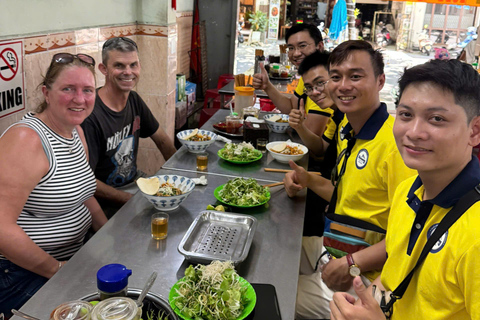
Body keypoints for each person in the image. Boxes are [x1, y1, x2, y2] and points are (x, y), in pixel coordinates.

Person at [330, 59, 480, 320]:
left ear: (474, 131)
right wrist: (361, 305)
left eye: (436, 119)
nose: (414, 132)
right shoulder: (407, 192)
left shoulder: (475, 234)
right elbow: (393, 284)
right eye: (406, 115)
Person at [285, 40, 416, 319]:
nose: (343, 85)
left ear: (380, 81)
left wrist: (350, 263)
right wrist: (306, 178)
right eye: (336, 77)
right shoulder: (347, 125)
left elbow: (409, 235)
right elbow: (346, 194)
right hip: (338, 244)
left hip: (372, 277)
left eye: (355, 76)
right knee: (280, 249)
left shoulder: (396, 146)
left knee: (281, 293)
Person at [0, 53, 108, 315]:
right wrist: (58, 270)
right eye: (68, 89)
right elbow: (2, 228)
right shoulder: (26, 140)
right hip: (22, 273)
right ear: (46, 93)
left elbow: (84, 194)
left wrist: (108, 235)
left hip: (76, 256)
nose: (79, 99)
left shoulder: (76, 130)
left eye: (87, 90)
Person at [81, 37, 176, 215]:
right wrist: (134, 201)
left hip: (135, 182)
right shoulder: (91, 115)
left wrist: (180, 177)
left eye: (133, 65)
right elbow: (87, 183)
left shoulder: (134, 100)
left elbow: (162, 141)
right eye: (119, 66)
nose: (128, 72)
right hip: (104, 201)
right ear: (104, 69)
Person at [288, 50, 344, 238]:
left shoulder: (352, 118)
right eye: (309, 88)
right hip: (328, 190)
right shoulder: (337, 116)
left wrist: (308, 180)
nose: (315, 92)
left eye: (321, 83)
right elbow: (321, 150)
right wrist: (300, 127)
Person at [252, 23, 332, 136]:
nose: (296, 53)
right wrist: (267, 86)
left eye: (302, 46)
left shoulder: (323, 84)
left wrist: (298, 125)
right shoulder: (307, 77)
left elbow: (312, 133)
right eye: (291, 48)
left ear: (319, 46)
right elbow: (291, 107)